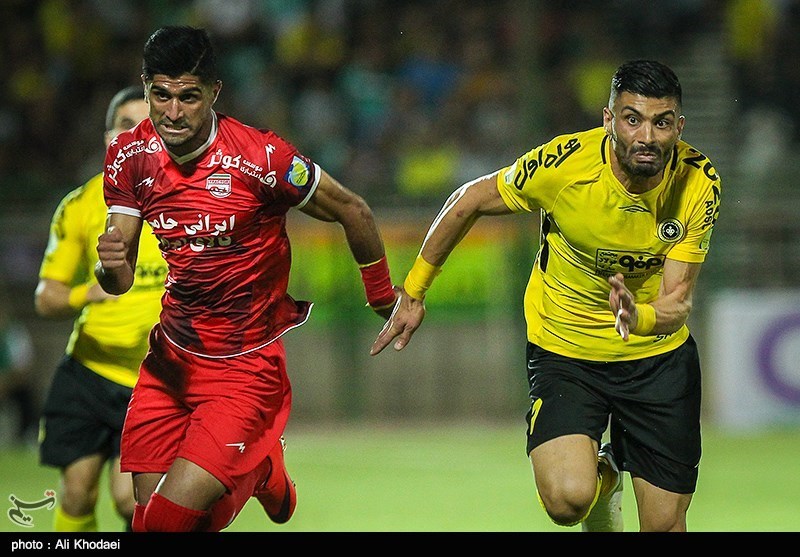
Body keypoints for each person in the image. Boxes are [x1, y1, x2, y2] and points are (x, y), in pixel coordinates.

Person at [372, 60, 721, 532]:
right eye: (632, 119)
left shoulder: (699, 183)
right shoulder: (563, 165)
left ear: (678, 127)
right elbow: (470, 199)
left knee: (662, 526)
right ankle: (603, 482)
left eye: (661, 123)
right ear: (608, 120)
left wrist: (636, 316)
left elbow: (677, 302)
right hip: (566, 351)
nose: (646, 137)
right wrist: (414, 290)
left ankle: (614, 474)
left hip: (656, 359)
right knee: (567, 501)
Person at [94, 26, 396, 533]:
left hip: (244, 367)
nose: (172, 113)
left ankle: (256, 467)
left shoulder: (261, 158)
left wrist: (383, 296)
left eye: (189, 97)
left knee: (165, 525)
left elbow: (353, 209)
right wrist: (109, 266)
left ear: (214, 92)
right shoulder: (129, 155)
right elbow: (117, 277)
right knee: (144, 522)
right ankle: (261, 468)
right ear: (146, 88)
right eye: (160, 96)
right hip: (170, 361)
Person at [34, 86, 162, 532]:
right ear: (108, 138)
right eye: (126, 125)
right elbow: (45, 296)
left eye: (147, 126)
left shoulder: (185, 203)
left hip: (153, 380)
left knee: (130, 500)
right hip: (89, 372)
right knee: (76, 493)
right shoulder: (81, 204)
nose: (136, 135)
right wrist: (86, 294)